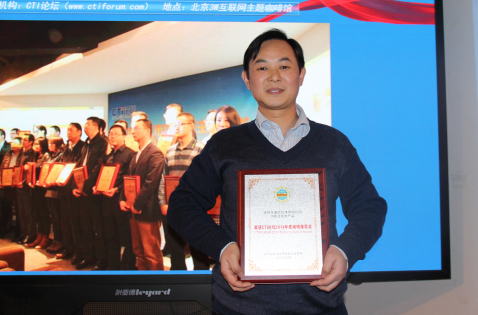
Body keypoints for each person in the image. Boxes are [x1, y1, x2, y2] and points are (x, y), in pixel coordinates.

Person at [168, 29, 387, 314]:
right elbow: (182, 204)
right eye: (262, 68)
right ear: (247, 79)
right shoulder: (224, 145)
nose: (274, 76)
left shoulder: (334, 144)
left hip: (321, 307)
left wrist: (346, 250)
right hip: (238, 308)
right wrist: (222, 246)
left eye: (284, 66)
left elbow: (369, 207)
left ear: (301, 75)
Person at [162, 112, 209, 270]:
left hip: (195, 209)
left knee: (198, 251)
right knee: (176, 251)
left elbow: (207, 179)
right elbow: (163, 179)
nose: (177, 127)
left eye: (181, 124)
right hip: (173, 208)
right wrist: (163, 203)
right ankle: (178, 282)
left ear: (192, 126)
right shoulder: (169, 151)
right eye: (175, 125)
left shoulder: (201, 149)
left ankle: (201, 282)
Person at [119, 119, 165, 270]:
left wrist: (137, 204)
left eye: (136, 128)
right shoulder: (136, 154)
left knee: (151, 251)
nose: (133, 131)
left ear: (147, 130)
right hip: (133, 209)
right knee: (138, 250)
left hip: (147, 210)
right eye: (132, 129)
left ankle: (156, 281)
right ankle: (143, 277)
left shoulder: (155, 153)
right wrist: (123, 199)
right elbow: (128, 179)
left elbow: (151, 183)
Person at [97, 124, 135, 270]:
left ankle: (127, 267)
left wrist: (117, 189)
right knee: (110, 234)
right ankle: (112, 266)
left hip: (120, 200)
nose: (112, 136)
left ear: (124, 136)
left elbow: (130, 178)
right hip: (106, 199)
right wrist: (97, 186)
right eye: (111, 134)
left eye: (116, 134)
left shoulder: (130, 154)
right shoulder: (109, 155)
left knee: (126, 236)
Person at [73, 117, 108, 270]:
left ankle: (100, 260)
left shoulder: (102, 143)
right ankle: (87, 256)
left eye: (87, 124)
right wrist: (76, 186)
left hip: (93, 192)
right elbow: (80, 166)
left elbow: (98, 168)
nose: (85, 126)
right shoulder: (86, 144)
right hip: (82, 190)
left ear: (96, 127)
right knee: (85, 226)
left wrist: (86, 188)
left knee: (97, 228)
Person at [55, 123, 86, 261]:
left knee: (76, 223)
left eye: (71, 130)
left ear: (79, 132)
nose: (68, 132)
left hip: (74, 189)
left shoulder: (83, 147)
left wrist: (74, 185)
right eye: (67, 130)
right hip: (64, 189)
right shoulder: (66, 148)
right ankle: (68, 248)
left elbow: (79, 169)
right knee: (65, 221)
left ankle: (78, 252)